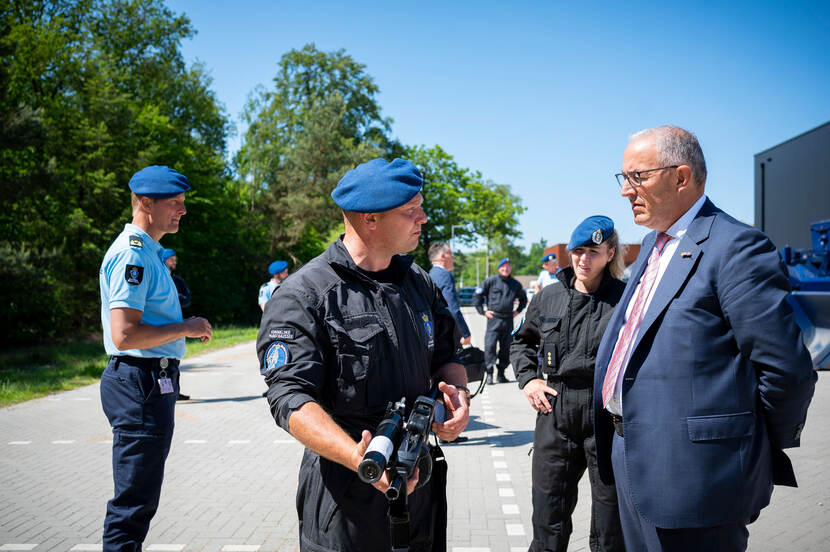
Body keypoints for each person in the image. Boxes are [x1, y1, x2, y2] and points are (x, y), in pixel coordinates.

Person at [593, 126, 816, 551]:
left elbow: (786, 370)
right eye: (623, 178)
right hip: (630, 456)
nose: (626, 191)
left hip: (697, 476)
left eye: (637, 176)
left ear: (680, 177)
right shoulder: (654, 248)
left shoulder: (735, 248)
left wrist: (746, 449)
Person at [256, 158, 470, 552]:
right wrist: (355, 457)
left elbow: (446, 352)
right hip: (347, 495)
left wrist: (457, 395)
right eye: (411, 211)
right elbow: (289, 397)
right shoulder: (305, 296)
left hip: (416, 483)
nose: (423, 218)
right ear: (369, 219)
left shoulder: (417, 281)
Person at [98, 165, 212, 552]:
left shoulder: (150, 252)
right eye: (175, 203)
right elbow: (124, 333)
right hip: (139, 382)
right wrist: (186, 326)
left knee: (140, 502)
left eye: (182, 202)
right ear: (145, 203)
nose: (183, 210)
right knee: (132, 506)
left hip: (150, 381)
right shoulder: (134, 257)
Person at [511, 216, 626, 552]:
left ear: (610, 253)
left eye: (593, 251)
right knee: (548, 519)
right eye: (577, 251)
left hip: (605, 416)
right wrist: (529, 379)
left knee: (610, 524)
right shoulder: (549, 297)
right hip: (555, 411)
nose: (583, 259)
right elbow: (521, 343)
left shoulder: (626, 300)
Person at [473, 258, 527, 384]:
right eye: (503, 267)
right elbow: (477, 296)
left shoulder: (515, 284)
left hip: (508, 320)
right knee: (490, 346)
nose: (506, 269)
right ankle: (490, 374)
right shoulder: (491, 281)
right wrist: (483, 311)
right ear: (499, 268)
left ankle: (501, 373)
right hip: (494, 319)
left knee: (506, 348)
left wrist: (518, 311)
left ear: (511, 268)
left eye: (508, 266)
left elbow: (523, 299)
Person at [162, 248, 192, 401]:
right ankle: (166, 393)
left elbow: (187, 299)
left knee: (175, 361)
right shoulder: (159, 278)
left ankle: (175, 392)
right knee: (163, 363)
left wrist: (174, 297)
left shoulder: (178, 281)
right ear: (164, 260)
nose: (174, 262)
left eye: (175, 259)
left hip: (177, 325)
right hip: (162, 326)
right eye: (171, 259)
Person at [428, 242, 472, 346]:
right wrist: (465, 333)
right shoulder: (444, 275)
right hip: (445, 335)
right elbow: (452, 308)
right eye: (451, 255)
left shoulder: (430, 274)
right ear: (443, 256)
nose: (453, 259)